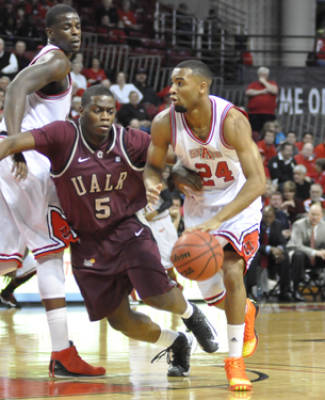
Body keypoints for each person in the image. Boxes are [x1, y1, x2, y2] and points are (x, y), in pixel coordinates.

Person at [0, 84, 219, 378]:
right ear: (81, 111)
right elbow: (13, 142)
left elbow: (172, 156)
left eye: (110, 111)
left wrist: (183, 170)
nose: (105, 116)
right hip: (87, 243)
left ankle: (193, 316)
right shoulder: (62, 135)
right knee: (120, 322)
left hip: (128, 231)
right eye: (97, 110)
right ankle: (176, 341)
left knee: (156, 296)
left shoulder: (130, 139)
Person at [143, 60, 266, 391]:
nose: (172, 89)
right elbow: (153, 166)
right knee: (210, 293)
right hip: (198, 207)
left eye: (180, 82)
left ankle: (234, 360)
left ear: (202, 87)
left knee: (232, 269)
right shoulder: (163, 123)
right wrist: (155, 182)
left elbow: (258, 182)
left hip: (238, 204)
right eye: (171, 82)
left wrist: (219, 221)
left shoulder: (232, 121)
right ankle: (246, 310)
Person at [0, 4, 105, 378]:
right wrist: (16, 145)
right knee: (48, 252)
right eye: (66, 26)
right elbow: (14, 87)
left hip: (13, 157)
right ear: (50, 32)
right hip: (23, 159)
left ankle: (62, 350)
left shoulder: (53, 62)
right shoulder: (57, 62)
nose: (75, 31)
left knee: (9, 261)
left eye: (78, 25)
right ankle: (62, 352)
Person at [287, 203, 325, 297]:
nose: (314, 217)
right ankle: (295, 289)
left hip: (317, 257)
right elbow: (297, 245)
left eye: (317, 215)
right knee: (298, 255)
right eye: (312, 214)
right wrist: (315, 252)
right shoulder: (298, 224)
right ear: (308, 214)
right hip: (299, 256)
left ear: (322, 215)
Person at [245, 66, 278, 134]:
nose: (263, 76)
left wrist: (264, 82)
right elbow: (248, 92)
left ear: (267, 75)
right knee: (254, 132)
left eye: (264, 74)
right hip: (254, 114)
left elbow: (274, 90)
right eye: (261, 74)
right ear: (258, 75)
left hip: (269, 113)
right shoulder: (253, 84)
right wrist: (262, 91)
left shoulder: (272, 83)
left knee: (269, 132)